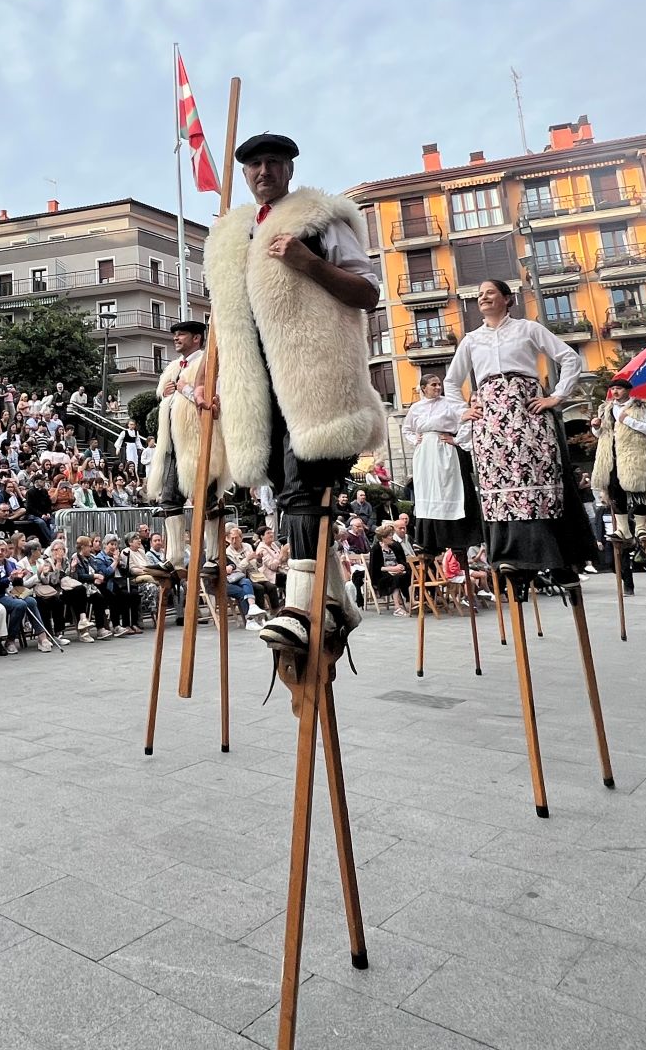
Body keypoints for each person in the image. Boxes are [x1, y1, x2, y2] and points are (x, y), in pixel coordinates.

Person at [201, 131, 384, 674]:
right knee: (289, 495)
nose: (263, 172)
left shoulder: (318, 219)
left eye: (273, 163)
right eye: (254, 165)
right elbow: (227, 324)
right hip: (260, 391)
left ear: (289, 168)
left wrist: (307, 262)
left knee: (306, 490)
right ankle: (339, 607)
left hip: (316, 381)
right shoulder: (232, 235)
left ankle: (303, 610)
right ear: (245, 173)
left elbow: (367, 292)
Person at [445, 279, 591, 587]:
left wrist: (556, 396)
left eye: (490, 293)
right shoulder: (472, 339)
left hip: (528, 412)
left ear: (507, 299)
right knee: (499, 483)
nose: (483, 297)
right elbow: (450, 381)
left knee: (538, 477)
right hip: (491, 419)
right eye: (480, 294)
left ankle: (552, 558)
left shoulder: (528, 329)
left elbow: (569, 358)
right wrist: (462, 410)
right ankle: (511, 560)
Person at [144, 317, 226, 586]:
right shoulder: (172, 368)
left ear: (197, 338)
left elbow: (211, 399)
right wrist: (167, 392)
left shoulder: (208, 363)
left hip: (197, 441)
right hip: (171, 444)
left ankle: (214, 557)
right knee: (169, 498)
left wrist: (183, 389)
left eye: (182, 334)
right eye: (175, 334)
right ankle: (175, 557)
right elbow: (167, 398)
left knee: (208, 498)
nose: (176, 338)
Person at [400, 373, 483, 565]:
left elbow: (466, 420)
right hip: (425, 451)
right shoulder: (416, 408)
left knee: (448, 487)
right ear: (423, 388)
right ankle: (429, 538)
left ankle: (456, 538)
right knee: (427, 488)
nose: (438, 388)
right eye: (433, 385)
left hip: (444, 448)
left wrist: (456, 440)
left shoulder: (449, 403)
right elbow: (407, 429)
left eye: (439, 384)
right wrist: (415, 440)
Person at [589, 375, 646, 594]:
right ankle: (623, 529)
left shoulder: (640, 407)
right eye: (613, 389)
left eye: (619, 389)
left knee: (636, 490)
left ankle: (640, 527)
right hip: (611, 456)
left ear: (627, 390)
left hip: (633, 456)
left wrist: (628, 420)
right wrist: (595, 427)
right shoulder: (606, 408)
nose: (615, 393)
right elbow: (601, 434)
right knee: (615, 492)